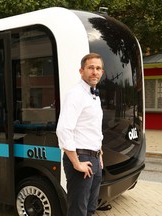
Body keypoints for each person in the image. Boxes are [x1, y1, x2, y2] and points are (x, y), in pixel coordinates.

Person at [56, 53, 104, 216]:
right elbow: (63, 129)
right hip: (81, 158)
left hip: (94, 159)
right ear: (81, 70)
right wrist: (76, 163)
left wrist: (100, 153)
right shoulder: (75, 94)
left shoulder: (94, 96)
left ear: (102, 72)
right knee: (78, 211)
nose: (95, 72)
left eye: (98, 68)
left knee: (90, 209)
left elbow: (94, 128)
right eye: (90, 68)